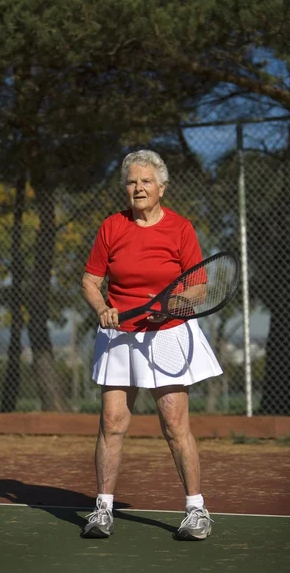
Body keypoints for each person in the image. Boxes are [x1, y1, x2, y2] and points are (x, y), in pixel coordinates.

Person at [80, 150, 223, 541]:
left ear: (161, 187)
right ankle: (103, 510)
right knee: (112, 423)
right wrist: (103, 308)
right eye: (131, 182)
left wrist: (175, 304)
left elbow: (198, 286)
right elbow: (91, 280)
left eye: (146, 181)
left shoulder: (180, 228)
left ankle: (197, 511)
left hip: (168, 333)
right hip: (119, 334)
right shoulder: (112, 227)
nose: (138, 188)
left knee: (175, 425)